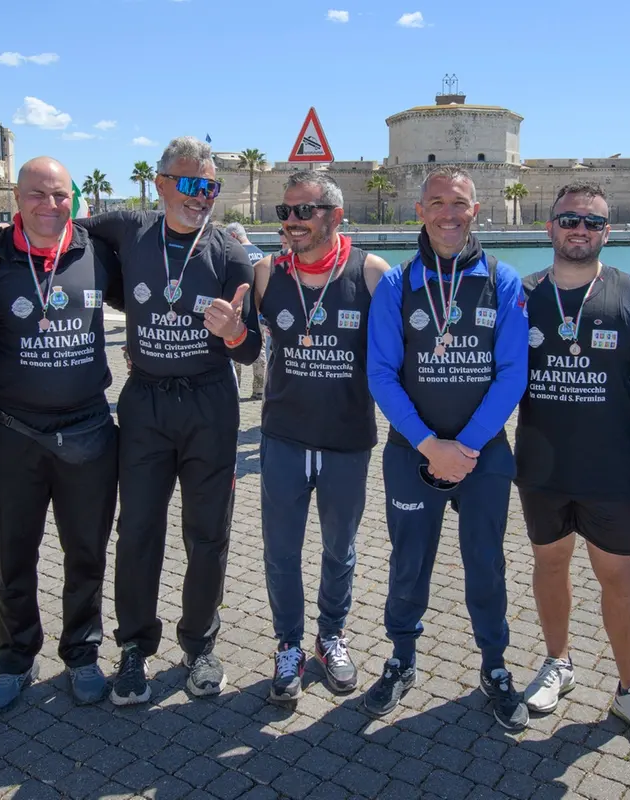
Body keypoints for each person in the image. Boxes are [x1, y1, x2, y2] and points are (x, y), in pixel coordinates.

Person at [0, 136, 261, 706]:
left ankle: (200, 645)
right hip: (145, 402)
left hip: (209, 403)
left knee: (207, 534)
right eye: (191, 183)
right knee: (137, 531)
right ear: (161, 184)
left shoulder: (229, 252)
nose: (202, 196)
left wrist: (235, 335)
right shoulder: (127, 229)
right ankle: (133, 648)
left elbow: (249, 354)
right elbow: (53, 222)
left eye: (212, 186)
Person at [515, 183, 630, 753]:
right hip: (539, 468)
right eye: (568, 219)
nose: (579, 229)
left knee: (618, 581)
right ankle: (557, 663)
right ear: (549, 226)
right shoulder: (523, 294)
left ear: (608, 232)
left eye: (592, 222)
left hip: (612, 471)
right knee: (549, 567)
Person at [365, 167, 530, 728]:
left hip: (483, 457)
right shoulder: (397, 284)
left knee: (485, 561)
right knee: (409, 561)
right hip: (413, 452)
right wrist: (429, 444)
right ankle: (401, 658)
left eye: (458, 203)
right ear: (420, 212)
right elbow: (382, 374)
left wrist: (466, 447)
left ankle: (494, 666)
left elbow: (511, 374)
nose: (448, 213)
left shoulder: (503, 282)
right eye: (436, 202)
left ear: (475, 210)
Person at [0, 157, 122, 712]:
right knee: (14, 554)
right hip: (11, 431)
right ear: (17, 197)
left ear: (73, 199)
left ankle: (82, 654)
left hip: (88, 430)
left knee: (86, 552)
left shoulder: (96, 251)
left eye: (60, 195)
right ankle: (14, 659)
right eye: (37, 194)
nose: (49, 205)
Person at [253, 172, 390, 703]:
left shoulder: (372, 272)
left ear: (333, 215)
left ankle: (330, 635)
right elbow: (241, 346)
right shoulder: (267, 273)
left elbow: (401, 352)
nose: (290, 222)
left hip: (346, 440)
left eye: (303, 212)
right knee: (281, 552)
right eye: (285, 212)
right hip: (284, 437)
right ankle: (288, 644)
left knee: (341, 549)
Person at [226, 222, 267, 400]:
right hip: (260, 311)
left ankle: (235, 388)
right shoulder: (261, 253)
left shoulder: (236, 254)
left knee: (236, 348)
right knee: (261, 349)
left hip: (241, 308)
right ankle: (259, 390)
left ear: (233, 236)